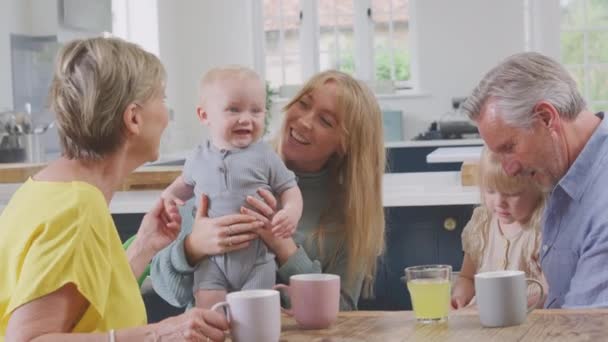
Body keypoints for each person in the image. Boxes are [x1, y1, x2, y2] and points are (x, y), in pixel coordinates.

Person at [0, 37, 230, 341]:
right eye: (161, 98)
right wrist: (157, 334)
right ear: (133, 118)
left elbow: (88, 308)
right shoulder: (77, 208)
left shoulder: (43, 189)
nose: (167, 113)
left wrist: (143, 246)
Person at [152, 70, 386, 311]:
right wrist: (193, 247)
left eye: (325, 121)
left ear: (345, 145)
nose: (304, 121)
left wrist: (284, 247)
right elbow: (168, 291)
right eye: (303, 104)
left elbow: (343, 311)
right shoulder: (220, 166)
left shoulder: (348, 215)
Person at [461, 51, 608, 308]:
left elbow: (588, 330)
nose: (508, 169)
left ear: (546, 118)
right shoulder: (559, 173)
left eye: (509, 147)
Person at [160, 65, 302, 309]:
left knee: (256, 313)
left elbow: (289, 189)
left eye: (256, 111)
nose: (246, 118)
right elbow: (181, 187)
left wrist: (290, 213)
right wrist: (168, 200)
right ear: (204, 116)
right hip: (211, 258)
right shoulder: (198, 157)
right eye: (233, 109)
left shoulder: (265, 155)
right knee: (209, 312)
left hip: (256, 259)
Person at [451, 147, 546, 309]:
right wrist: (459, 296)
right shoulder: (481, 223)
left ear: (538, 189)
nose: (499, 202)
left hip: (527, 323)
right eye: (490, 191)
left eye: (512, 193)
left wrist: (507, 306)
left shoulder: (541, 228)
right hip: (482, 320)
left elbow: (548, 290)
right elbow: (467, 277)